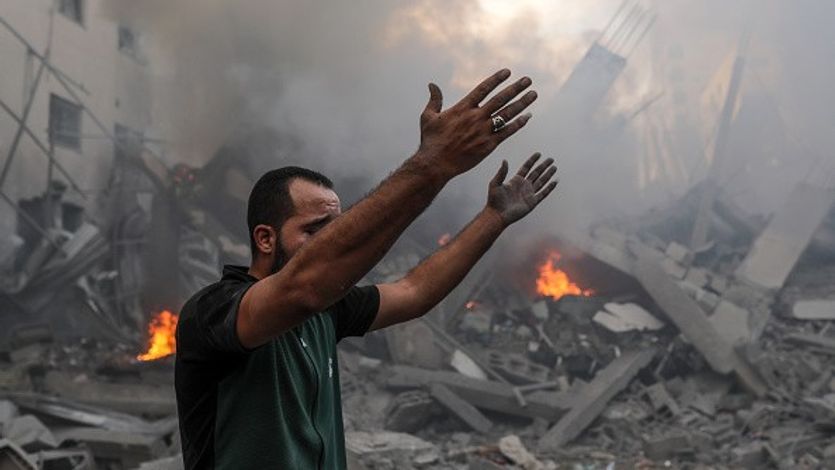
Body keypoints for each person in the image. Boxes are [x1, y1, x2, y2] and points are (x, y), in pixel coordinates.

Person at [175, 69, 558, 469]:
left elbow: (414, 292)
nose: (333, 243)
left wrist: (493, 218)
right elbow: (299, 289)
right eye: (315, 231)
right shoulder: (214, 312)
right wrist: (434, 165)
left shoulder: (327, 311)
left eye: (337, 230)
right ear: (266, 239)